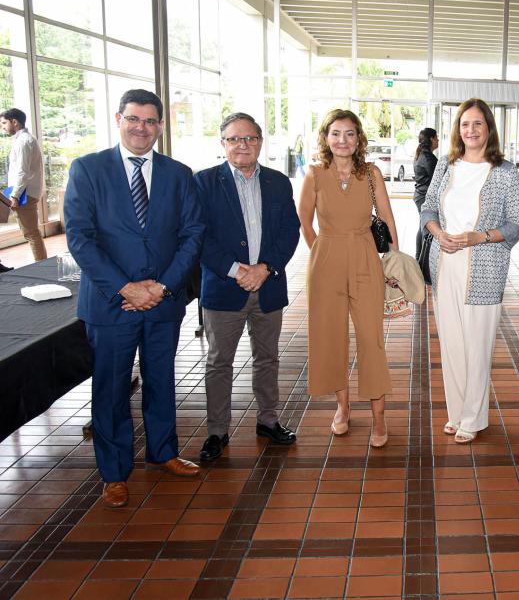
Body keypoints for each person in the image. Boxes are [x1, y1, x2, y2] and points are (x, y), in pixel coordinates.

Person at [64, 89, 205, 508]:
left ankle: (163, 452)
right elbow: (80, 237)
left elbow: (192, 234)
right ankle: (114, 472)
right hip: (110, 303)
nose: (141, 127)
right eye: (134, 119)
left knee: (161, 380)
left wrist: (160, 287)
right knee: (110, 389)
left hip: (163, 301)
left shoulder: (179, 174)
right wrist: (126, 288)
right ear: (118, 118)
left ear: (161, 125)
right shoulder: (88, 170)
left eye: (150, 121)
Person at [194, 112, 302, 461]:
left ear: (260, 142)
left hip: (267, 286)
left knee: (267, 358)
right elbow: (199, 237)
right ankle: (217, 431)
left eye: (250, 138)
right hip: (224, 289)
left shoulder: (277, 182)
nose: (243, 145)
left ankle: (268, 421)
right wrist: (236, 270)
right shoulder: (203, 182)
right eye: (234, 139)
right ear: (222, 143)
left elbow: (290, 231)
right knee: (219, 362)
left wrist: (266, 268)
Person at [420, 98, 519, 444]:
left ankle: (474, 417)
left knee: (477, 345)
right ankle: (457, 412)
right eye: (465, 124)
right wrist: (439, 234)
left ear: (489, 128)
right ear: (458, 129)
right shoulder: (446, 166)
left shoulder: (505, 171)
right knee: (451, 343)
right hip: (445, 262)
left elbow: (515, 225)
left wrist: (477, 237)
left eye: (478, 124)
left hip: (484, 266)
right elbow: (428, 208)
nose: (471, 130)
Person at [298, 109, 398, 448]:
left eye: (350, 134)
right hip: (325, 260)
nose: (343, 140)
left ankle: (379, 417)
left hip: (364, 255)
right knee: (331, 337)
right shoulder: (314, 174)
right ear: (326, 137)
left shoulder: (371, 173)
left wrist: (393, 259)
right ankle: (342, 408)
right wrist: (320, 250)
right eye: (336, 133)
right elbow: (304, 217)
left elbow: (386, 216)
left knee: (372, 339)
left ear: (359, 139)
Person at [1, 108, 47, 261]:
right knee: (31, 232)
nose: (3, 127)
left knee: (31, 233)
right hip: (25, 192)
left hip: (24, 193)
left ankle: (42, 267)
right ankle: (42, 265)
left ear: (15, 122)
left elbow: (22, 172)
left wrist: (15, 196)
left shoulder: (23, 141)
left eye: (4, 123)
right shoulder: (24, 140)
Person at [413, 128, 438, 258]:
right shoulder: (428, 158)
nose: (438, 140)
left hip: (420, 195)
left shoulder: (421, 154)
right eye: (436, 137)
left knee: (422, 225)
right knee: (426, 227)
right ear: (431, 139)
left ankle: (419, 258)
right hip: (424, 197)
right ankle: (422, 259)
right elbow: (436, 182)